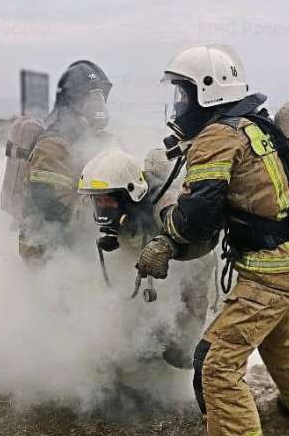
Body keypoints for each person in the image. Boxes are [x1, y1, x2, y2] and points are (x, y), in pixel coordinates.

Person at [136, 44, 289, 436]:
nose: (178, 104)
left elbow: (199, 215)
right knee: (279, 334)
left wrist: (164, 238)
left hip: (270, 270)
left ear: (208, 93)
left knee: (216, 365)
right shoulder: (254, 125)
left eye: (183, 94)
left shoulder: (218, 137)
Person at [77, 147, 214, 368]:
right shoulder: (111, 200)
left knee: (180, 351)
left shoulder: (164, 203)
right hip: (146, 263)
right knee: (137, 340)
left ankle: (198, 362)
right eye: (97, 201)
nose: (102, 207)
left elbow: (194, 238)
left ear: (129, 194)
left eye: (108, 201)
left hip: (190, 264)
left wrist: (166, 243)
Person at [17, 60, 118, 266]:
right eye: (91, 101)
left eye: (100, 99)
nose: (98, 107)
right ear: (73, 104)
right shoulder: (53, 144)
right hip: (47, 252)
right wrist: (102, 208)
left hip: (78, 245)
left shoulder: (97, 139)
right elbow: (50, 203)